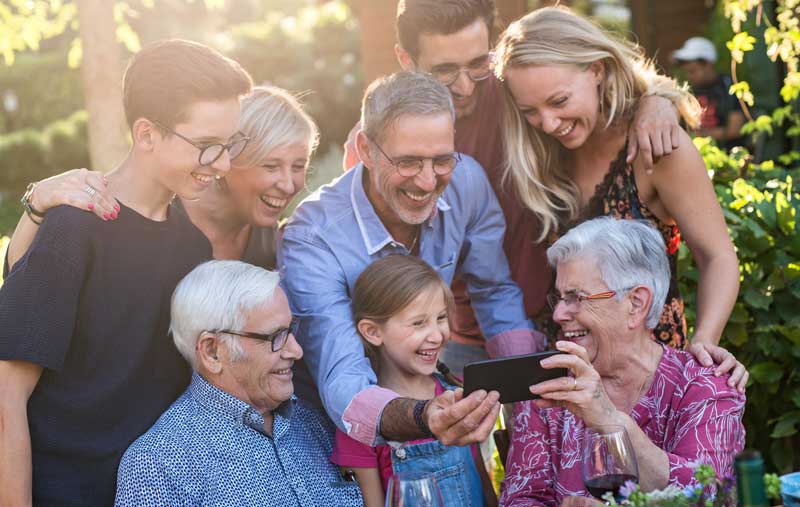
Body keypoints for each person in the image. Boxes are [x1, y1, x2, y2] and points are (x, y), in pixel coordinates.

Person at [343, 0, 693, 377]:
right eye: (444, 70)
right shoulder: (383, 145)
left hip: (553, 321)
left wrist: (658, 100)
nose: (465, 86)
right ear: (407, 59)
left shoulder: (513, 91)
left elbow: (590, 80)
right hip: (453, 333)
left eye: (477, 64)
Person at [0, 39, 253, 504]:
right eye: (206, 146)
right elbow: (5, 397)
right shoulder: (74, 227)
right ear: (147, 133)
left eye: (230, 144)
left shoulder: (192, 246)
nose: (224, 163)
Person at [493, 7, 747, 389]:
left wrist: (703, 344)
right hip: (565, 381)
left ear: (596, 70)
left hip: (648, 382)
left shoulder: (654, 147)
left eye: (559, 101)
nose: (547, 123)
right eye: (530, 110)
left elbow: (719, 257)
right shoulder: (538, 154)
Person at [280, 71, 534, 450]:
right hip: (339, 432)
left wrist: (525, 391)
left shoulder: (467, 181)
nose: (429, 182)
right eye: (409, 163)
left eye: (442, 160)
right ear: (365, 150)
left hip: (431, 394)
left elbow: (494, 291)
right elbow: (341, 377)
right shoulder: (314, 237)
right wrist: (425, 415)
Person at [499, 217, 746, 507]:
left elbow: (708, 496)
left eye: (577, 297)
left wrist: (609, 421)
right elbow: (520, 499)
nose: (558, 314)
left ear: (636, 304)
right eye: (560, 298)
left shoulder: (706, 384)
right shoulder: (548, 385)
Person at [115, 260, 363, 507]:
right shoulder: (158, 464)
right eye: (275, 337)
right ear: (213, 352)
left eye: (291, 331)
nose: (296, 351)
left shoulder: (317, 424)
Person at [5, 85, 319, 274]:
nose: (289, 184)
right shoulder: (160, 210)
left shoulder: (274, 240)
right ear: (231, 154)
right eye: (271, 165)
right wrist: (36, 205)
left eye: (298, 165)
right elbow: (26, 281)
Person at [330, 255, 495, 507]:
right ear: (373, 332)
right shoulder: (360, 427)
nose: (436, 335)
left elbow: (483, 487)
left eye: (441, 318)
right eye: (418, 323)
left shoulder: (459, 392)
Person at [673, 37, 746, 150]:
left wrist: (697, 136)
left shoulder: (730, 87)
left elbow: (735, 130)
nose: (689, 76)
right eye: (686, 72)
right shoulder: (688, 90)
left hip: (727, 153)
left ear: (708, 64)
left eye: (692, 71)